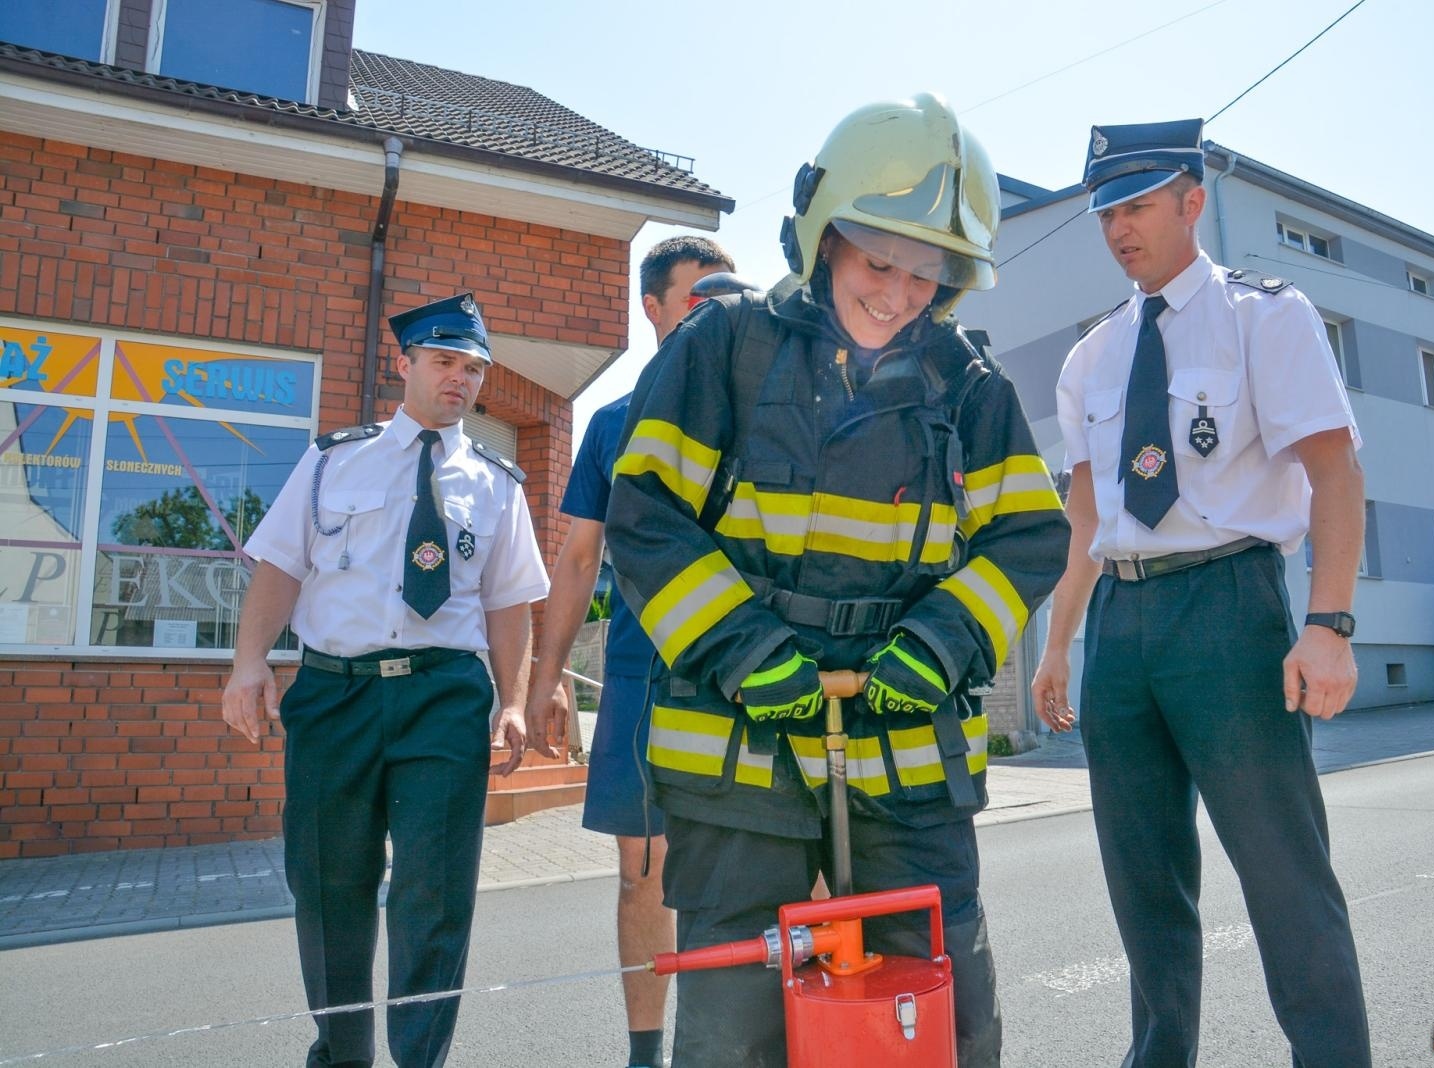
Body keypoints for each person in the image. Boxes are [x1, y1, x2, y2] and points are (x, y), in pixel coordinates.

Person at [603, 93, 1068, 1067]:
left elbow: (1029, 536)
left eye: (926, 272)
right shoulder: (721, 349)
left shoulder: (970, 388)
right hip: (738, 760)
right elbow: (645, 517)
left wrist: (939, 645)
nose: (899, 293)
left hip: (907, 762)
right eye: (877, 261)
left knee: (945, 1025)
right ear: (820, 237)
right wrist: (746, 652)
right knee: (737, 1035)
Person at [1033, 119, 1371, 1067]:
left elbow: (1336, 473)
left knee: (1284, 875)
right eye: (1105, 212)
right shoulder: (1090, 359)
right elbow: (1086, 522)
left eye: (1136, 205)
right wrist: (1061, 644)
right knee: (1143, 885)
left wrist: (1330, 625)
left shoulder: (1268, 316)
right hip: (1123, 625)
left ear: (1193, 200)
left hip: (1231, 609)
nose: (1118, 229)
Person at [222, 292, 549, 1067]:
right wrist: (247, 665)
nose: (460, 380)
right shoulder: (335, 459)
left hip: (443, 695)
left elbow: (509, 604)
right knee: (330, 884)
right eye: (444, 362)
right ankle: (342, 1054)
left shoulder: (496, 485)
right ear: (404, 363)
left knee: (435, 894)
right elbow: (280, 567)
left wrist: (512, 701)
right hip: (336, 692)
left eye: (473, 368)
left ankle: (420, 1060)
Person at [526, 234, 739, 1068]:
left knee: (770, 862)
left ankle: (760, 1037)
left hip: (746, 677)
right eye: (694, 296)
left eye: (722, 296)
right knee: (642, 872)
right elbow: (578, 558)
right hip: (643, 675)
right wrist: (546, 681)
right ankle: (646, 1053)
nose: (709, 313)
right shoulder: (614, 424)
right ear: (653, 309)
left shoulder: (764, 416)